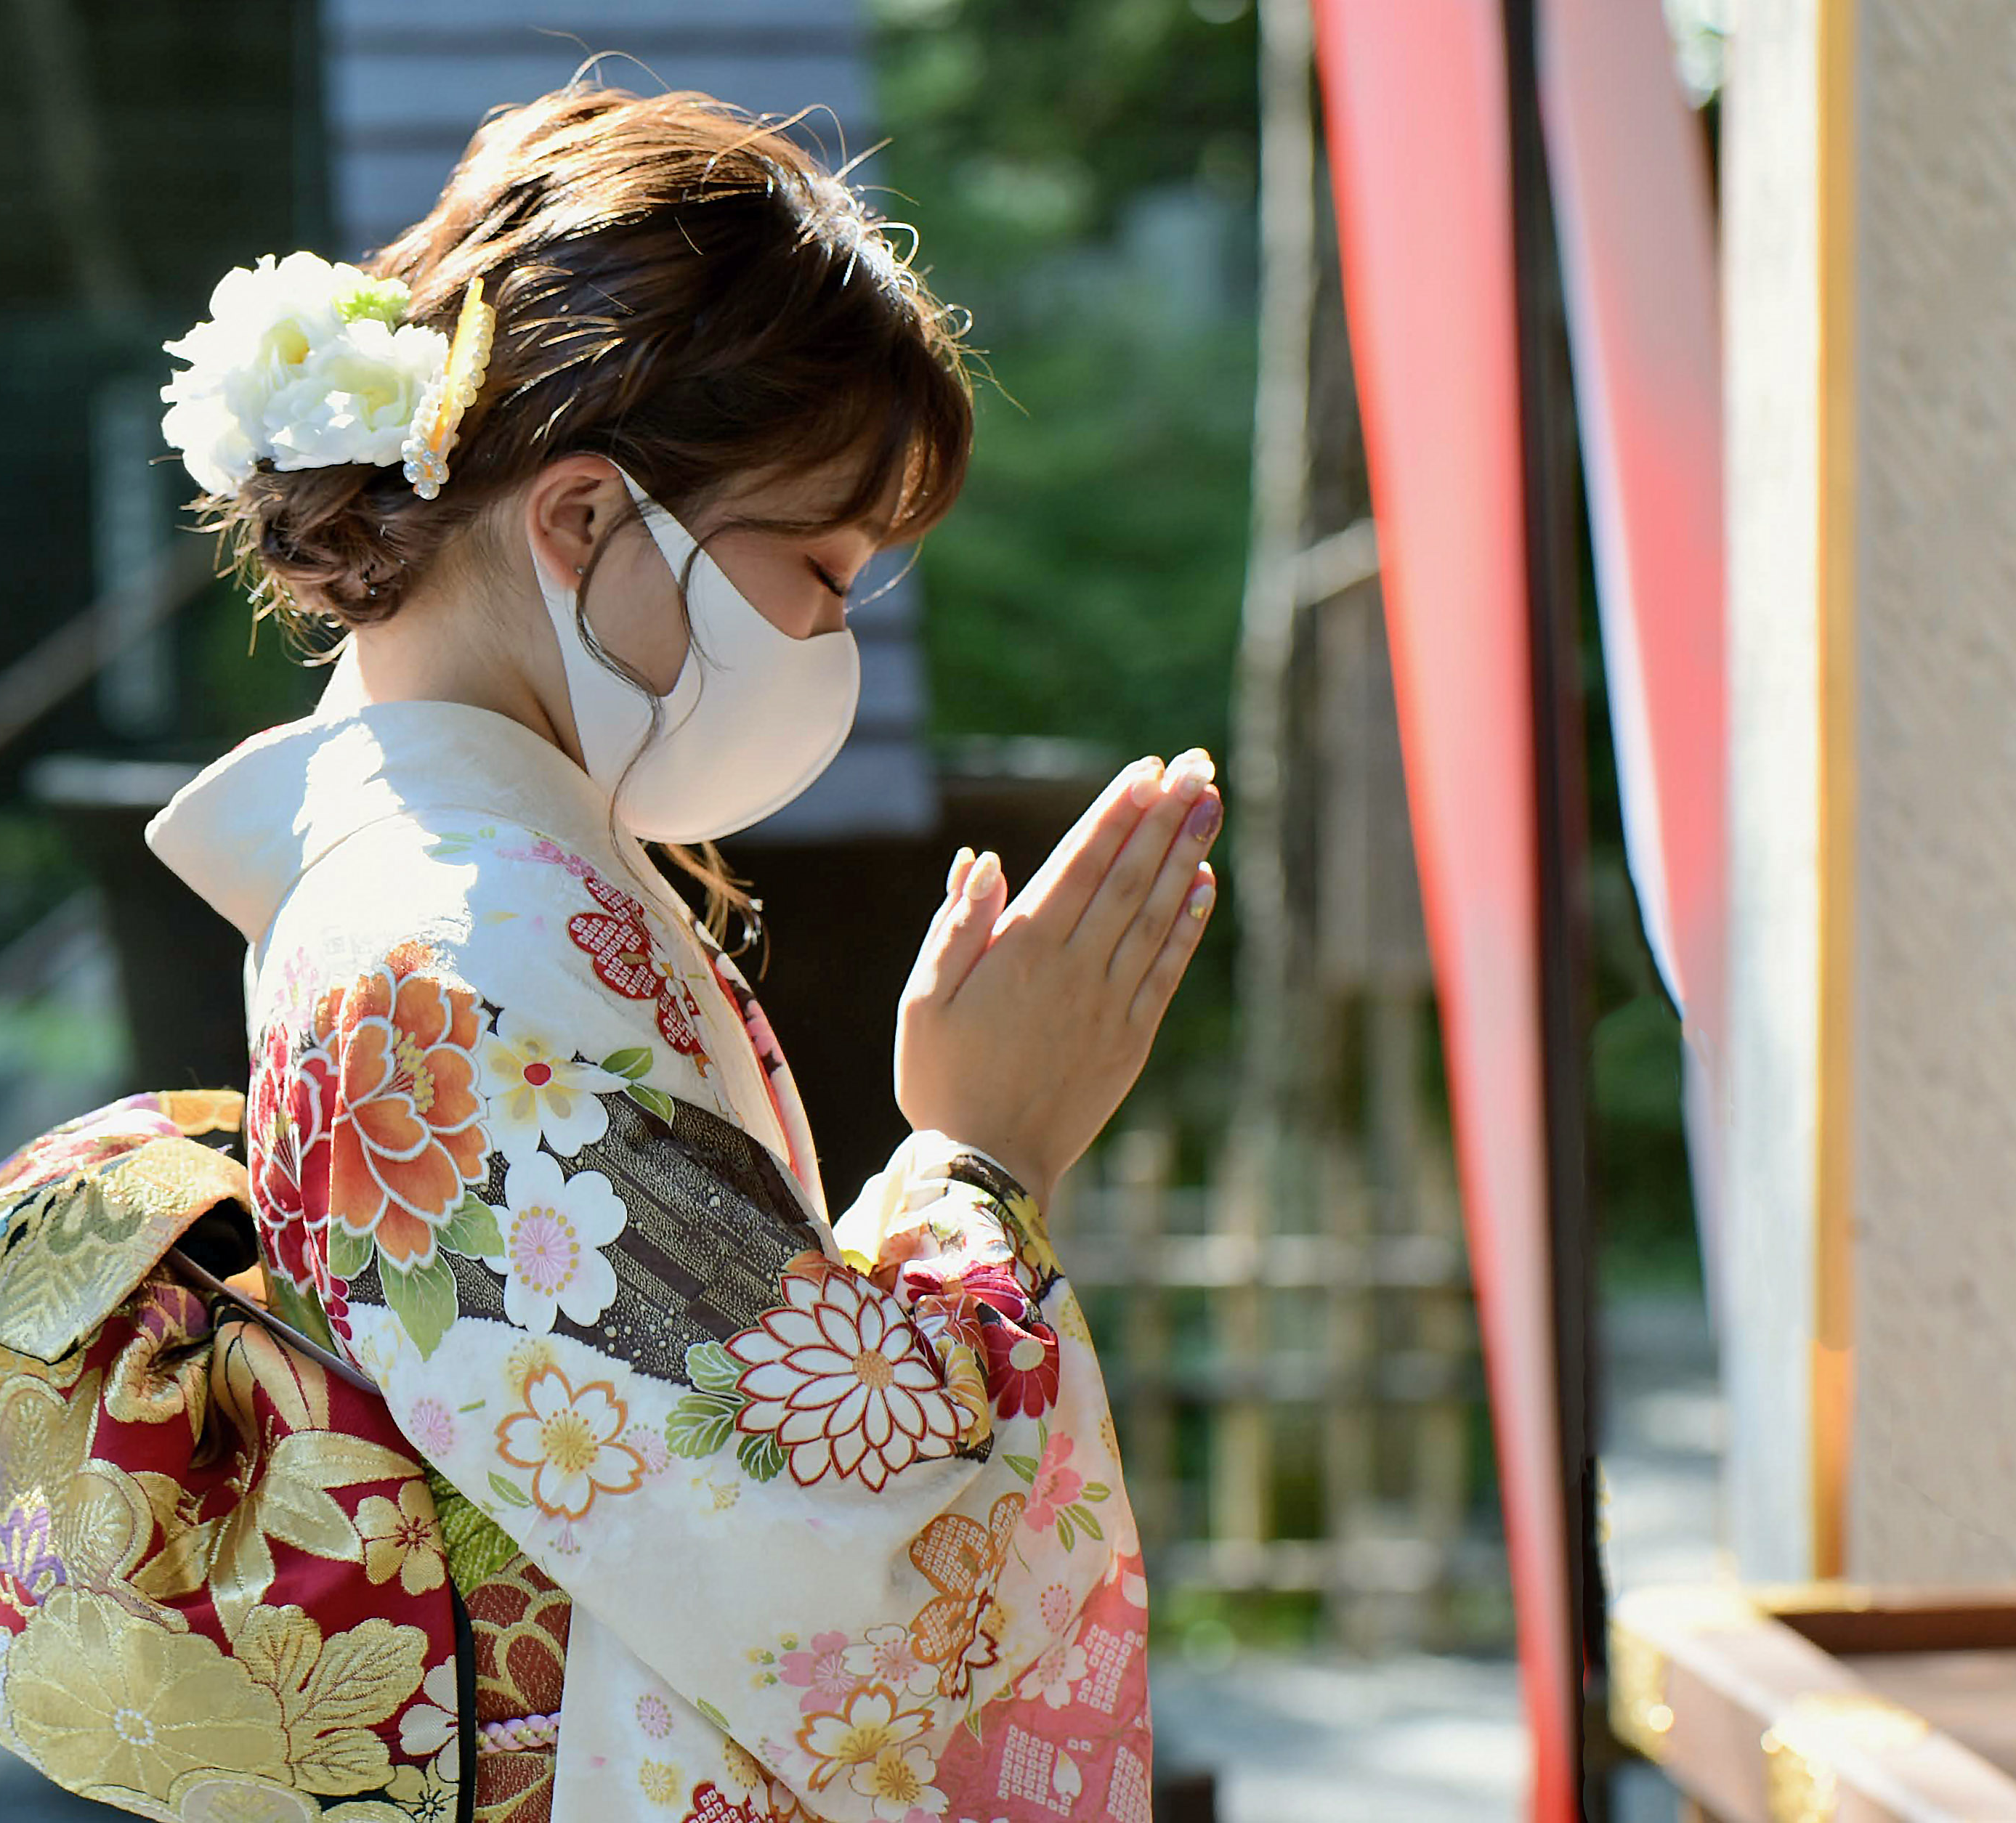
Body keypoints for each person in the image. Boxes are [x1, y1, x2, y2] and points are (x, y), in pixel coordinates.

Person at [139, 82, 1214, 1823]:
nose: (830, 631)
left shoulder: (461, 895)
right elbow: (841, 1560)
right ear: (581, 521)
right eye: (823, 566)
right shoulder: (451, 949)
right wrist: (981, 1157)